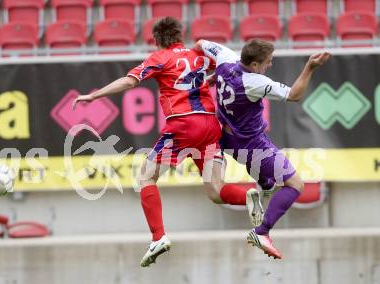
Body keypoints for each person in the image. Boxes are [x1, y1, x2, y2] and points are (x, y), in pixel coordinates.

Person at [72, 17, 263, 267]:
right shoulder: (199, 54)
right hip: (209, 124)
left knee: (146, 177)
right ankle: (247, 195)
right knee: (216, 191)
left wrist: (94, 95)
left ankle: (158, 237)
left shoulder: (160, 58)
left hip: (184, 124)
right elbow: (230, 68)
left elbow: (130, 81)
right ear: (179, 35)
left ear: (158, 40)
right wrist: (212, 79)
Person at [195, 38, 330, 259]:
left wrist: (210, 77)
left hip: (226, 138)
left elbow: (200, 43)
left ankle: (265, 184)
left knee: (266, 181)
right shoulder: (254, 82)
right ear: (255, 64)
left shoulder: (225, 58)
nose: (270, 65)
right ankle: (262, 232)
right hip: (252, 144)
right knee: (295, 185)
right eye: (267, 62)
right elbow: (294, 95)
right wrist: (309, 67)